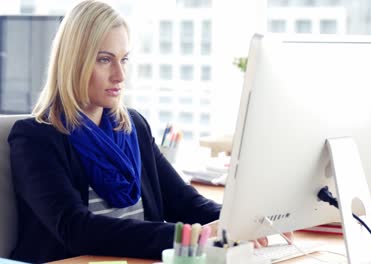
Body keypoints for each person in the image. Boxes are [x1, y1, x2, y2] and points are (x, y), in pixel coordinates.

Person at [7, 1, 222, 262]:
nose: (120, 75)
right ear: (74, 62)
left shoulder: (134, 127)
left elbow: (185, 202)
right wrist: (188, 237)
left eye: (124, 59)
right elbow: (77, 229)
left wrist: (235, 223)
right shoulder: (35, 138)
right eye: (105, 60)